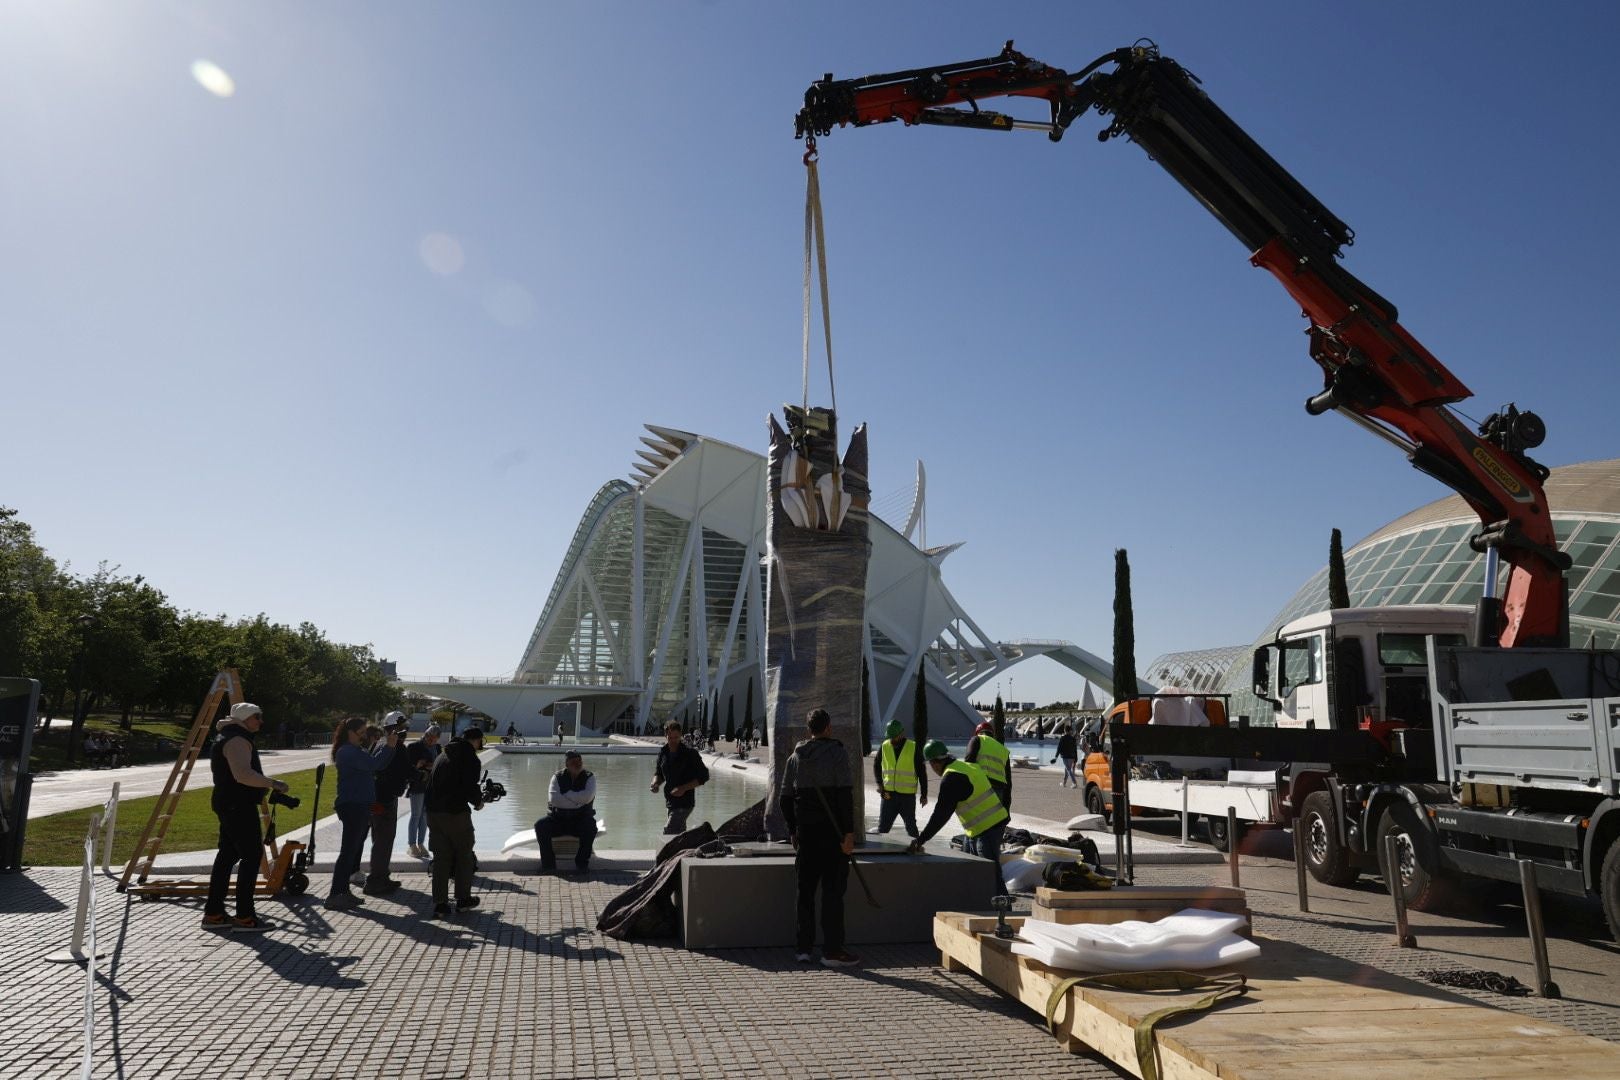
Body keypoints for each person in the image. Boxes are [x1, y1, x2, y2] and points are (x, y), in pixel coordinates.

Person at [782, 708, 859, 968]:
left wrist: (793, 829)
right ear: (828, 728)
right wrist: (849, 834)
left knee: (804, 893)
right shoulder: (838, 753)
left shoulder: (796, 757)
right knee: (833, 894)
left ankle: (803, 949)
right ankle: (832, 951)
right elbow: (844, 797)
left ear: (809, 730)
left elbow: (785, 799)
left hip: (806, 836)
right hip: (833, 837)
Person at [202, 702, 289, 933]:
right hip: (237, 804)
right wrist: (273, 783)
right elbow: (243, 775)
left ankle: (214, 912)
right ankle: (244, 916)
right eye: (257, 717)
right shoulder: (237, 740)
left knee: (228, 855)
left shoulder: (230, 736)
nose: (261, 721)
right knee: (252, 856)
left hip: (229, 802)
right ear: (245, 718)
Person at [907, 740, 1010, 899]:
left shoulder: (951, 778)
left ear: (934, 763)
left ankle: (1005, 913)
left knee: (991, 876)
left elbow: (941, 815)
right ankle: (983, 905)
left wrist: (921, 839)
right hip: (989, 825)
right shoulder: (966, 766)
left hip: (987, 828)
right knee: (979, 872)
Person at [326, 715, 399, 911]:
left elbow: (378, 764)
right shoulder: (348, 752)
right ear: (351, 732)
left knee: (350, 852)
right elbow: (374, 764)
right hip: (353, 806)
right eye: (361, 732)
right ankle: (335, 894)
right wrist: (389, 746)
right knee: (347, 852)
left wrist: (388, 748)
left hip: (358, 805)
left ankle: (342, 892)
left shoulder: (354, 750)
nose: (364, 735)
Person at [425, 724, 486, 917]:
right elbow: (469, 786)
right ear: (476, 741)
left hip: (433, 813)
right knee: (464, 856)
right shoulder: (470, 758)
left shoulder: (443, 755)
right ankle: (463, 899)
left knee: (441, 859)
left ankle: (440, 904)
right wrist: (478, 802)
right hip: (455, 814)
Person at [365, 711, 414, 896]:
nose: (405, 731)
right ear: (394, 728)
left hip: (377, 799)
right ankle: (376, 881)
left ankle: (381, 876)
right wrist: (422, 775)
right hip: (384, 800)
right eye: (402, 727)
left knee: (380, 839)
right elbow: (405, 769)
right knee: (383, 840)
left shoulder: (379, 743)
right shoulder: (395, 747)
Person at [532, 750, 597, 873]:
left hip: (580, 820)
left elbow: (587, 797)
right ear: (566, 764)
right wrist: (578, 802)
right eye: (573, 762)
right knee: (540, 825)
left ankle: (582, 864)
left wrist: (566, 794)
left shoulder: (590, 777)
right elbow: (555, 800)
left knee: (590, 827)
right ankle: (548, 865)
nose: (577, 764)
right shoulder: (556, 777)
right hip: (558, 820)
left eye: (579, 761)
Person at [650, 720, 708, 834]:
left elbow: (704, 776)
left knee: (668, 832)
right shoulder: (663, 752)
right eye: (670, 737)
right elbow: (659, 773)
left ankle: (667, 852)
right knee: (678, 835)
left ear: (681, 735)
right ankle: (685, 851)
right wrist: (655, 783)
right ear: (665, 736)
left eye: (676, 737)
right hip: (670, 801)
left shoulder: (690, 754)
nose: (673, 741)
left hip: (685, 803)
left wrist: (683, 788)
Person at [873, 719, 928, 838]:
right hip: (888, 795)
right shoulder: (885, 746)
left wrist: (924, 795)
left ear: (902, 733)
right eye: (890, 737)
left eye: (894, 737)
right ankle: (880, 853)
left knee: (911, 828)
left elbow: (922, 772)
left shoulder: (913, 747)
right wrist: (880, 785)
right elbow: (877, 765)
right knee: (883, 827)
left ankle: (917, 850)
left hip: (907, 797)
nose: (892, 739)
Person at [405, 724, 442, 858]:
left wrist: (433, 766)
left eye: (434, 739)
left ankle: (421, 843)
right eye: (429, 737)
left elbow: (439, 764)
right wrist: (419, 765)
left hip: (430, 785)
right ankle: (412, 845)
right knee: (416, 815)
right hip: (418, 784)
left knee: (425, 816)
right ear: (425, 735)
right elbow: (408, 766)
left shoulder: (437, 748)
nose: (431, 741)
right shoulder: (414, 747)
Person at [965, 720, 1012, 811]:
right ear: (992, 734)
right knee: (993, 820)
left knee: (977, 818)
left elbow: (969, 760)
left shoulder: (977, 739)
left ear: (978, 733)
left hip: (981, 785)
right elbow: (1008, 781)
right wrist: (1006, 810)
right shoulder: (1003, 750)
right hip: (999, 789)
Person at [1053, 722, 1079, 789]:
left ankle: (1074, 783)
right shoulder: (1073, 738)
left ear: (1065, 730)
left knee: (1068, 769)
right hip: (1072, 756)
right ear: (1070, 731)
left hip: (1065, 756)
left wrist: (1056, 757)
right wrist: (1076, 758)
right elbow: (1075, 748)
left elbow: (1059, 748)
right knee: (1067, 769)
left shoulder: (1063, 738)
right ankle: (1064, 783)